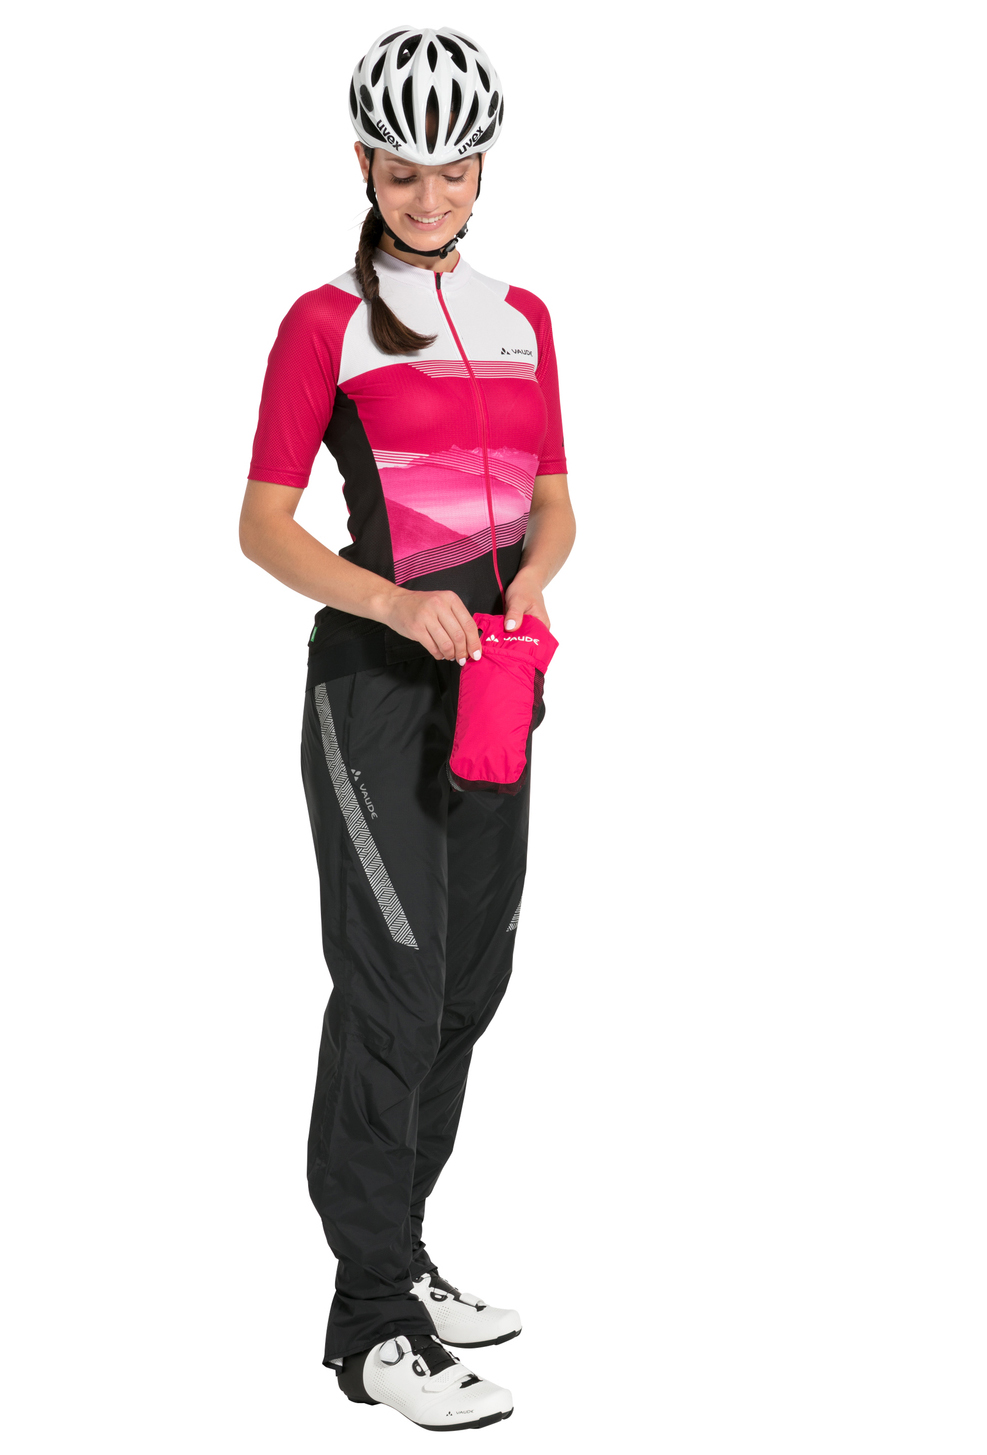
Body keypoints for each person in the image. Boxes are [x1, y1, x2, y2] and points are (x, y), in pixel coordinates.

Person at [239, 25, 575, 1432]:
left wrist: (532, 584)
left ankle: (405, 1252)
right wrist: (392, 601)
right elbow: (263, 527)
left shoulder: (525, 317)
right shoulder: (325, 321)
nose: (427, 195)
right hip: (373, 692)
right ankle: (369, 1320)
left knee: (468, 983)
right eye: (401, 170)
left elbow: (555, 501)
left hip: (497, 678)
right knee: (392, 989)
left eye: (451, 170)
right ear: (365, 165)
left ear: (482, 169)